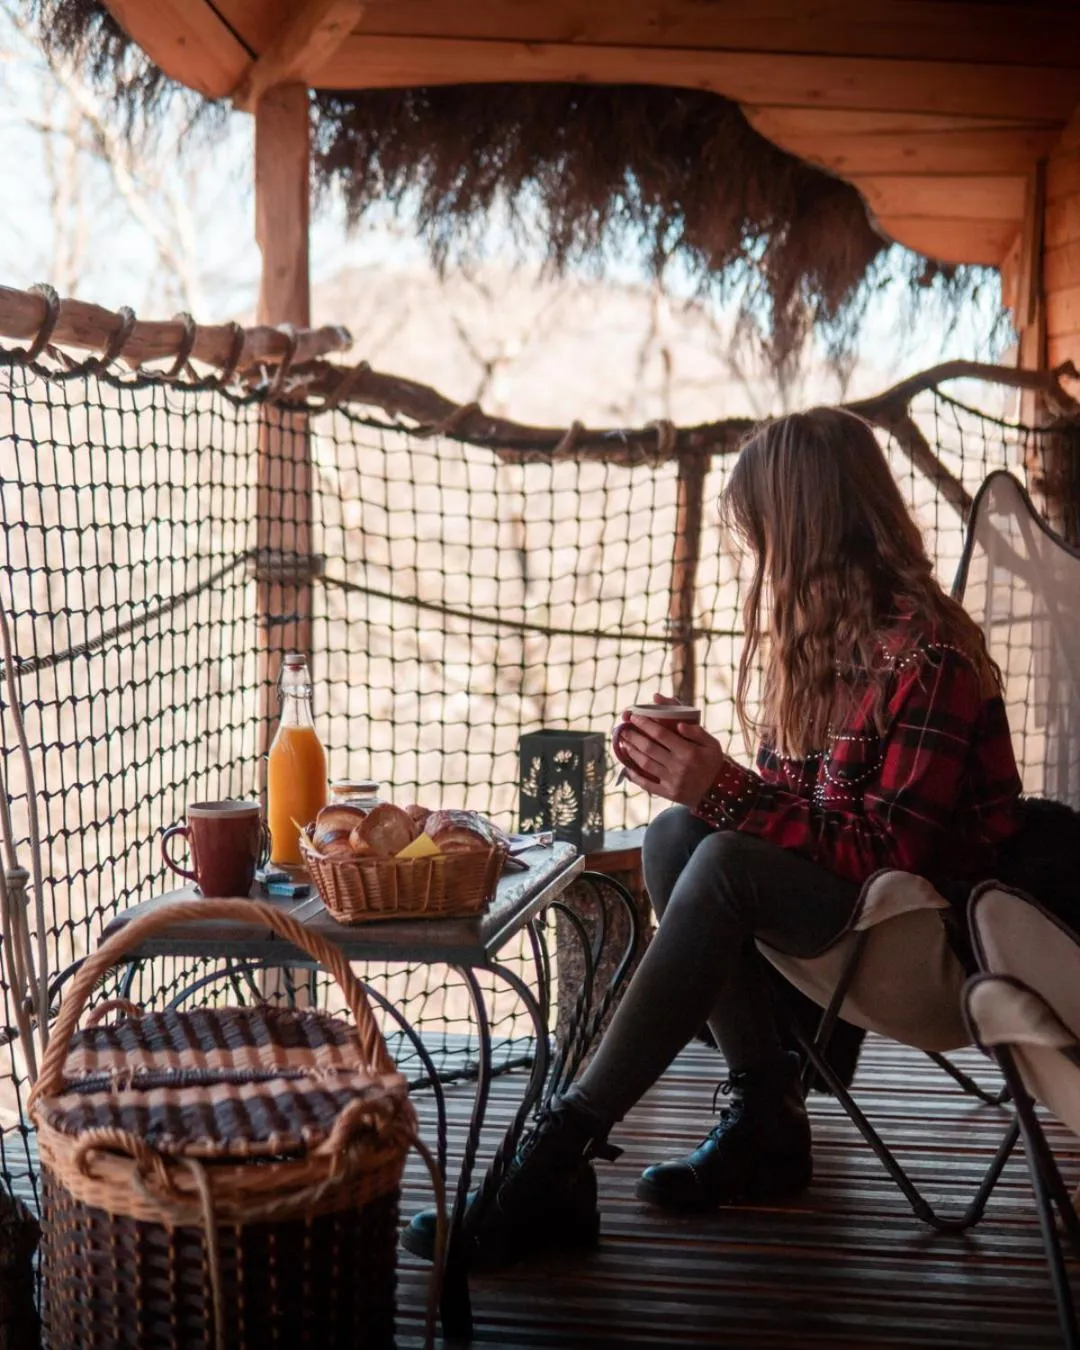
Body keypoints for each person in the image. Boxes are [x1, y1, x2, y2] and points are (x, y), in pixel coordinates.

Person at [402, 405, 1022, 1266]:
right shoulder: (820, 651)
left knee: (722, 854)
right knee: (674, 836)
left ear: (805, 527)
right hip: (850, 926)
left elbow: (888, 854)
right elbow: (805, 821)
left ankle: (551, 1163)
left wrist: (728, 792)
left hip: (931, 945)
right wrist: (697, 783)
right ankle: (767, 1120)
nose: (760, 555)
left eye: (766, 531)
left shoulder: (929, 658)